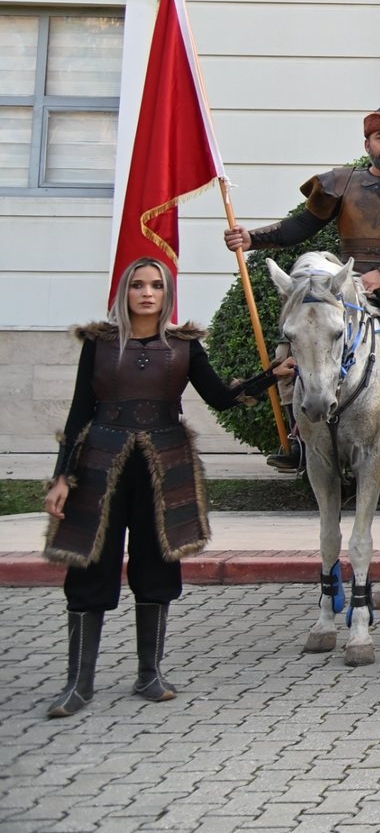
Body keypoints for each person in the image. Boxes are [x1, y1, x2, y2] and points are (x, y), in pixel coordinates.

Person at [42, 258, 292, 718]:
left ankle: (149, 674)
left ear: (167, 292)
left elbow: (221, 397)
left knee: (156, 565)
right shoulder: (98, 344)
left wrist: (273, 375)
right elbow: (79, 412)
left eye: (156, 285)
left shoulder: (184, 347)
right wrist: (62, 477)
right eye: (138, 285)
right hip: (99, 464)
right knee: (89, 567)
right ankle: (78, 683)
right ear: (125, 292)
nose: (147, 292)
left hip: (164, 465)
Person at [225, 104, 380, 472]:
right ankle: (298, 435)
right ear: (367, 142)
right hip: (343, 288)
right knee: (291, 343)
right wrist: (251, 238)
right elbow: (301, 226)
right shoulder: (341, 182)